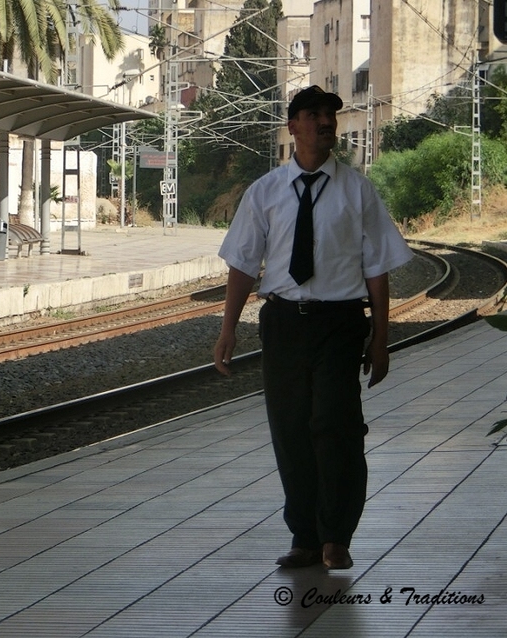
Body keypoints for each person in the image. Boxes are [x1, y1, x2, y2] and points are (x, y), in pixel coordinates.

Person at [213, 86, 413, 570]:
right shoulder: (264, 192)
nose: (326, 122)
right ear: (293, 127)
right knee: (291, 430)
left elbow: (378, 268)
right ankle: (304, 536)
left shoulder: (357, 190)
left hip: (339, 322)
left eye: (331, 116)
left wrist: (380, 339)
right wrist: (228, 328)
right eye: (314, 114)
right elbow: (242, 264)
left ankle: (336, 535)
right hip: (282, 322)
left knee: (334, 425)